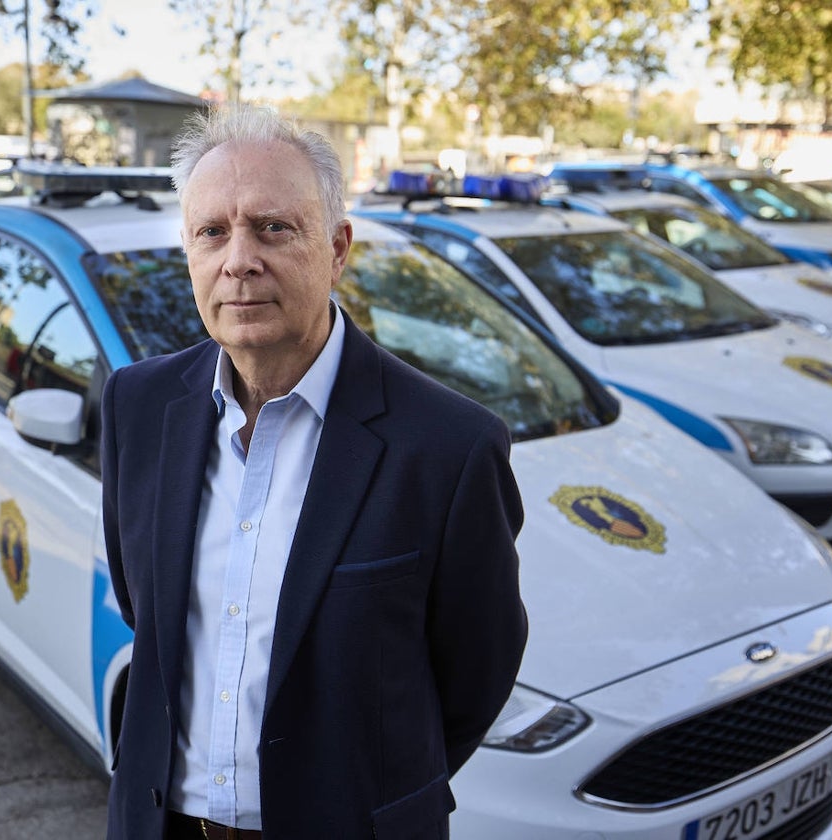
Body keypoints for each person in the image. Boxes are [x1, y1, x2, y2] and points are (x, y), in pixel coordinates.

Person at [100, 105, 527, 840]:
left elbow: (473, 679)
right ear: (189, 252)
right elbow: (149, 615)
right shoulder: (138, 406)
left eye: (272, 228)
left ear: (336, 250)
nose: (239, 260)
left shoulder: (449, 448)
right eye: (212, 232)